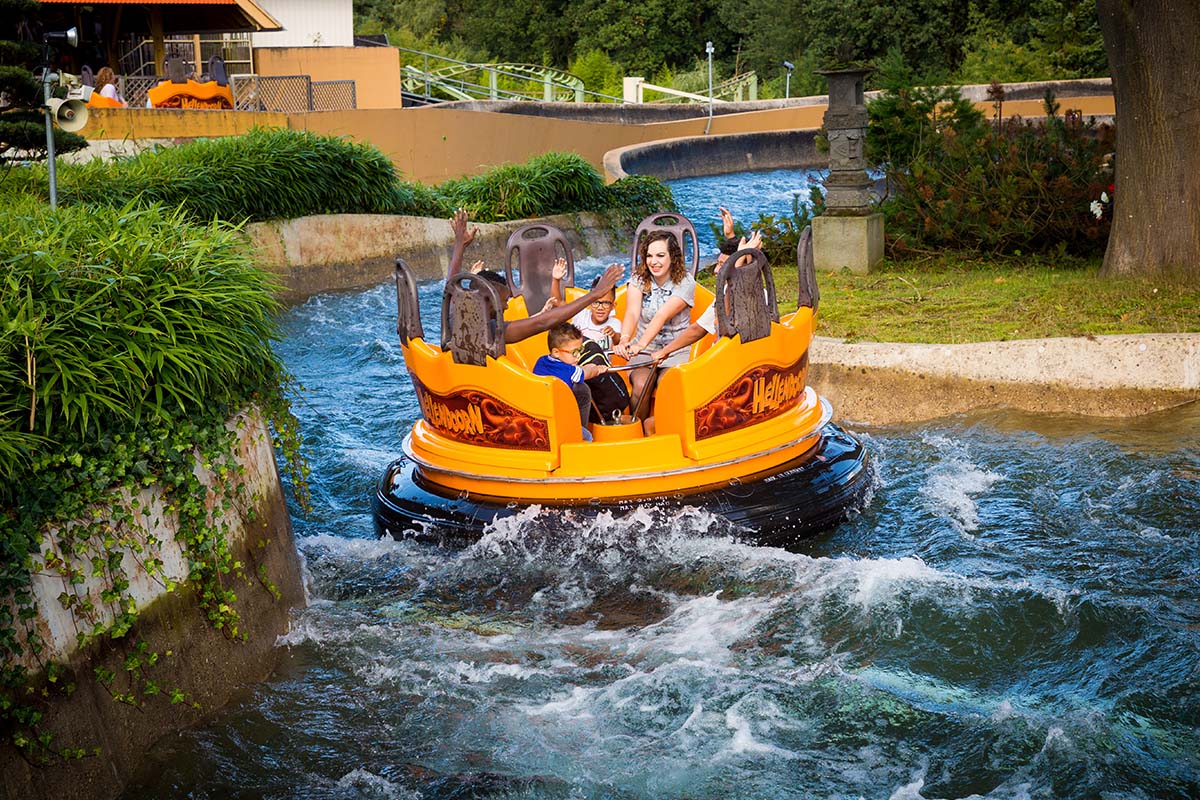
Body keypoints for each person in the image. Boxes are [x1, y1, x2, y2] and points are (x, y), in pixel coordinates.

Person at [448, 208, 622, 344]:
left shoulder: (455, 314)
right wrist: (594, 295)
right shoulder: (493, 332)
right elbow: (543, 323)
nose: (506, 308)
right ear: (487, 299)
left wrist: (459, 245)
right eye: (503, 302)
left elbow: (450, 288)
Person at [613, 229, 695, 434]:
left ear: (672, 258)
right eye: (649, 256)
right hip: (645, 350)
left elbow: (662, 315)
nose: (654, 261)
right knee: (641, 384)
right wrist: (625, 339)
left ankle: (666, 432)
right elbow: (632, 313)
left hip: (676, 350)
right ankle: (635, 432)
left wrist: (639, 345)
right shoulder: (639, 280)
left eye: (660, 255)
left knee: (668, 384)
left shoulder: (685, 282)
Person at [532, 323, 610, 442]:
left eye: (580, 350)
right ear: (556, 352)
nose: (578, 356)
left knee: (582, 389)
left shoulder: (541, 361)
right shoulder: (568, 370)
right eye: (574, 352)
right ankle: (579, 441)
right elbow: (586, 373)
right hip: (557, 419)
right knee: (587, 436)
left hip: (542, 411)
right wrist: (596, 368)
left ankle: (577, 427)